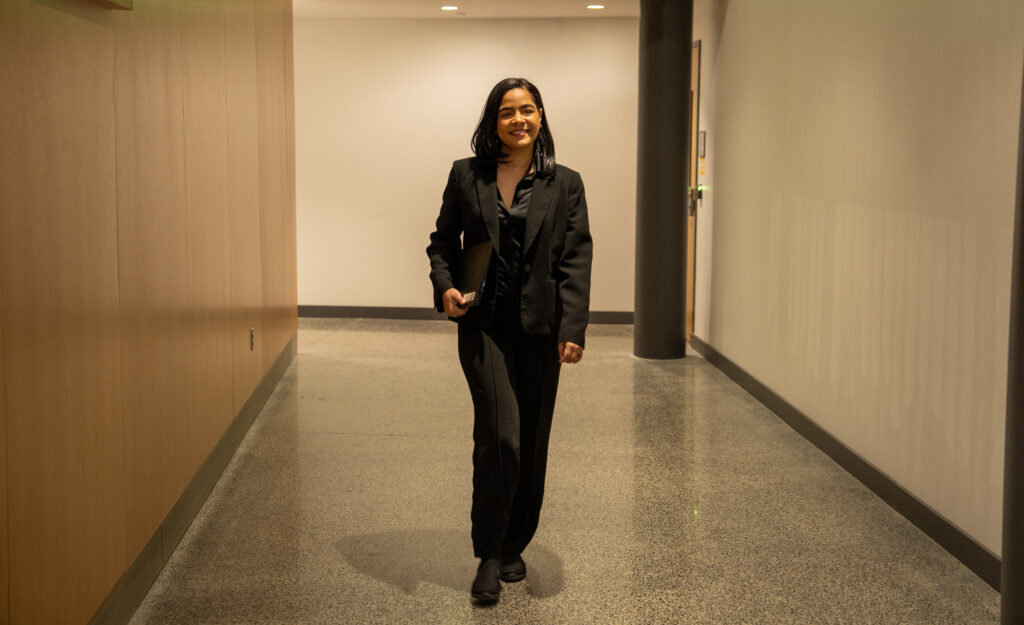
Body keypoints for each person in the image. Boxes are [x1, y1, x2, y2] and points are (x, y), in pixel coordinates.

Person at [426, 77, 593, 604]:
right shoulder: (465, 175)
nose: (518, 120)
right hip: (485, 328)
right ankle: (489, 553)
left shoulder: (565, 183)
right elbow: (441, 244)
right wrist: (446, 285)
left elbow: (575, 260)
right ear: (492, 121)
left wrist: (572, 328)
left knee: (533, 442)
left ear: (540, 118)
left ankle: (517, 540)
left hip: (541, 333)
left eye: (527, 110)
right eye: (507, 112)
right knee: (501, 437)